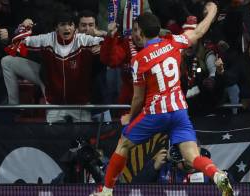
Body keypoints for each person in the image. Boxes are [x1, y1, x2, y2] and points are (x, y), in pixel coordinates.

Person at [92, 2, 233, 196]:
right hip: (179, 111)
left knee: (123, 144)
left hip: (155, 113)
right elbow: (199, 32)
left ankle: (106, 191)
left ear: (141, 33)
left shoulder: (139, 60)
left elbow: (138, 99)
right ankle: (217, 175)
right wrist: (213, 11)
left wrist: (131, 118)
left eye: (135, 30)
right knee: (191, 156)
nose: (133, 34)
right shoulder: (173, 42)